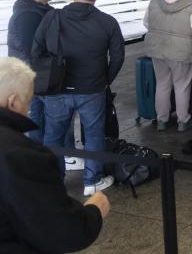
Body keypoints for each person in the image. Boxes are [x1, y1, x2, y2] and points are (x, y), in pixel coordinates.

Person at [0, 58, 110, 252]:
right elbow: (61, 231)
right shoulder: (20, 155)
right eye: (28, 101)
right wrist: (94, 210)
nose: (28, 110)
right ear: (13, 101)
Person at [32, 0, 124, 196]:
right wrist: (105, 81)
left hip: (57, 89)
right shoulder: (108, 22)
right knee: (94, 134)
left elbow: (36, 51)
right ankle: (92, 181)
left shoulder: (53, 17)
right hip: (92, 89)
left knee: (53, 136)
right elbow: (118, 57)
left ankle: (54, 181)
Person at [143, 0, 192, 132]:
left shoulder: (154, 2)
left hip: (157, 49)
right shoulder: (191, 5)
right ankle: (183, 120)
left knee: (162, 84)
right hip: (181, 51)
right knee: (181, 86)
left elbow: (146, 23)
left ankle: (161, 120)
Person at [8, 0, 58, 143]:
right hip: (35, 75)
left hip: (38, 74)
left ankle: (43, 149)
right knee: (47, 115)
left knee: (43, 115)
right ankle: (49, 151)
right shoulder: (27, 16)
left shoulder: (41, 10)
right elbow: (32, 50)